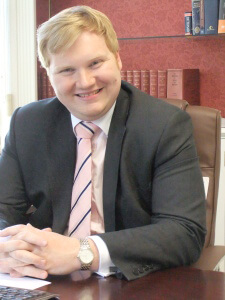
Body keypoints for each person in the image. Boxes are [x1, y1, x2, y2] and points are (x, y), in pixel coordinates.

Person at [0, 6, 206, 281]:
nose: (85, 82)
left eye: (95, 63)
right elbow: (3, 209)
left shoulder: (164, 125)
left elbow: (184, 233)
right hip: (43, 280)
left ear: (118, 59)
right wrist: (8, 248)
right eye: (66, 70)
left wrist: (81, 254)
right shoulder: (27, 123)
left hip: (129, 283)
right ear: (48, 73)